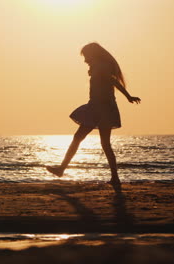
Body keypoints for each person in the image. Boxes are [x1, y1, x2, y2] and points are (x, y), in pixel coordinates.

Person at [46, 43, 141, 185]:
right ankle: (114, 178)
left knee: (84, 139)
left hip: (101, 108)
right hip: (99, 106)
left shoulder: (101, 67)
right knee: (100, 143)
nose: (85, 60)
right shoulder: (99, 66)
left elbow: (113, 81)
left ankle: (62, 169)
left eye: (86, 56)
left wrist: (128, 96)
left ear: (93, 54)